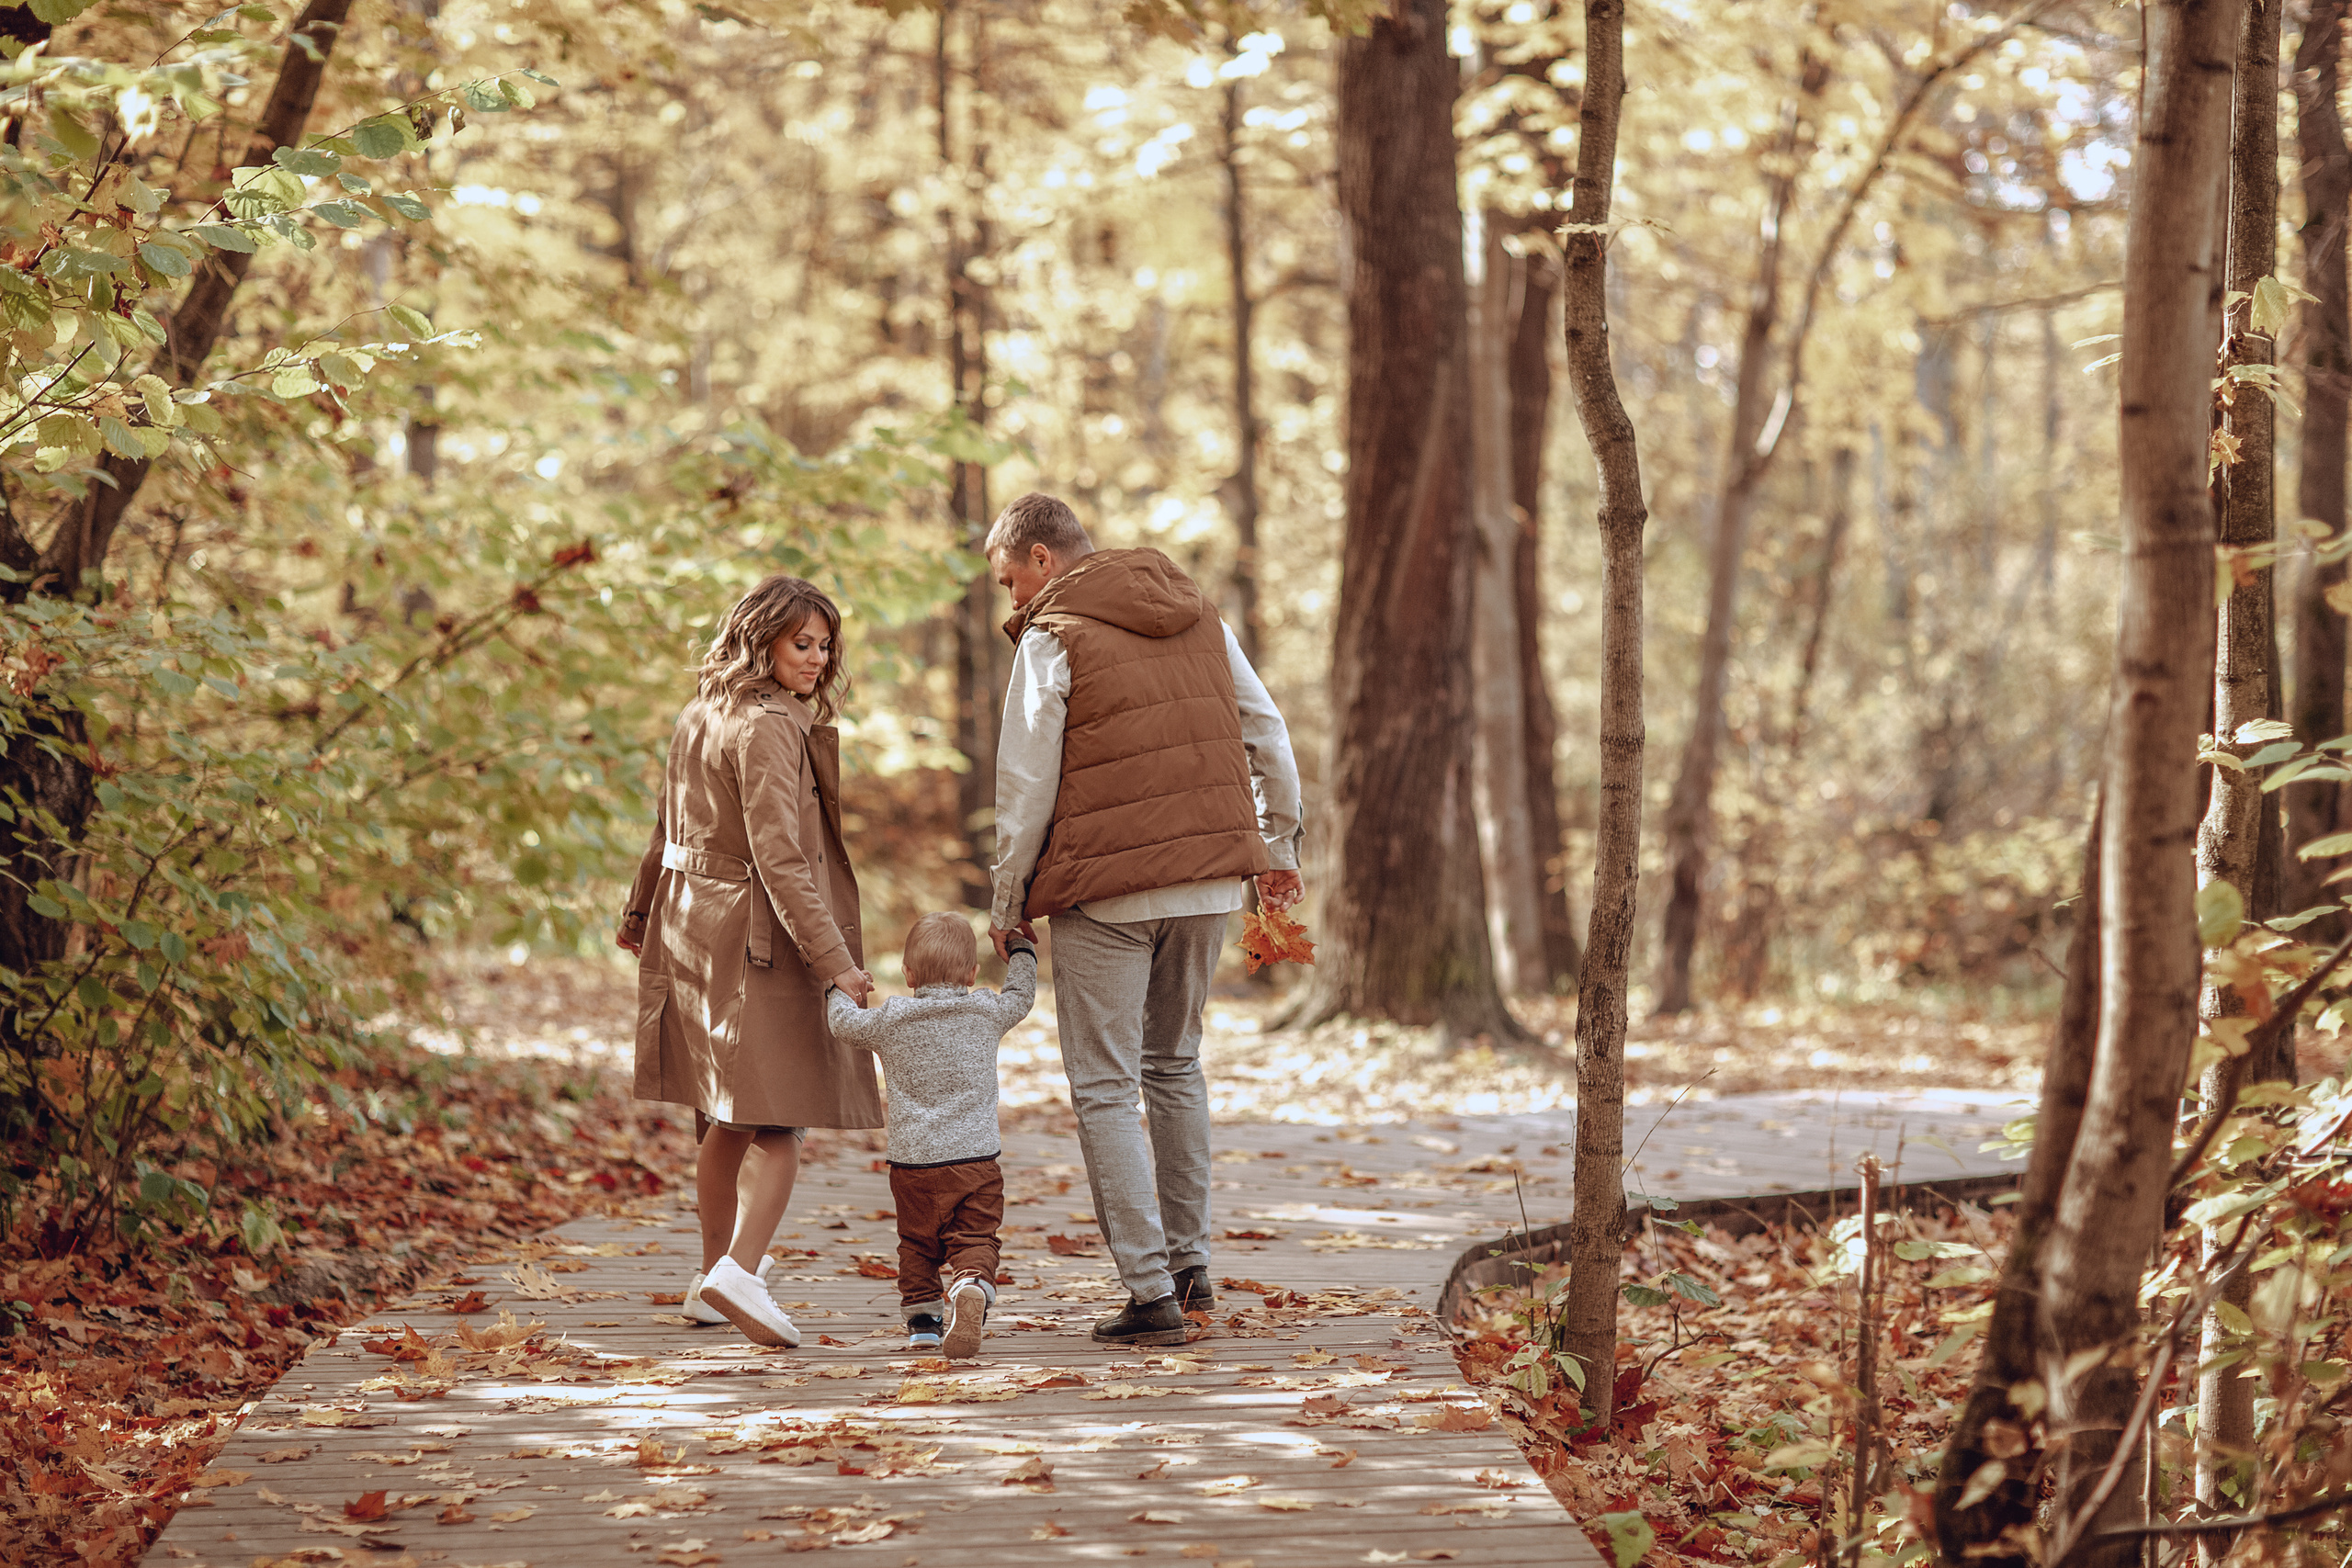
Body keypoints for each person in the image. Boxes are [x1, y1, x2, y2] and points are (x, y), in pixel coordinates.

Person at [985, 492, 1303, 1348]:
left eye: (1010, 580)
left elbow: (1026, 783)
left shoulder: (1054, 634)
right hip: (1208, 882)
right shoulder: (1200, 617)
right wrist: (1278, 845)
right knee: (1176, 1064)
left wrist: (1008, 898)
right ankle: (1192, 1266)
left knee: (1103, 1085)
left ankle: (1151, 1293)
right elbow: (1268, 733)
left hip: (1108, 886)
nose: (1011, 599)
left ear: (1043, 558)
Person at [618, 575, 881, 1350]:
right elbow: (780, 856)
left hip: (694, 923)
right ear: (761, 639)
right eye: (802, 642)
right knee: (779, 1117)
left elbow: (665, 828)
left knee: (725, 1114)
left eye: (825, 645)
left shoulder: (701, 710)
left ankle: (711, 1276)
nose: (818, 658)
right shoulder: (767, 724)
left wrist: (641, 910)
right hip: (753, 936)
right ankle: (739, 1269)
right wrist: (835, 961)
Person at [826, 912, 1038, 1358]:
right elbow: (1021, 996)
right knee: (975, 1237)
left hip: (912, 1163)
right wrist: (1021, 950)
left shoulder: (892, 1019)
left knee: (917, 1243)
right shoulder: (986, 1011)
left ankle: (923, 1323)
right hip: (976, 1160)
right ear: (972, 974)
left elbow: (843, 1024)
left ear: (908, 974)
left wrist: (839, 987)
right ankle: (972, 1281)